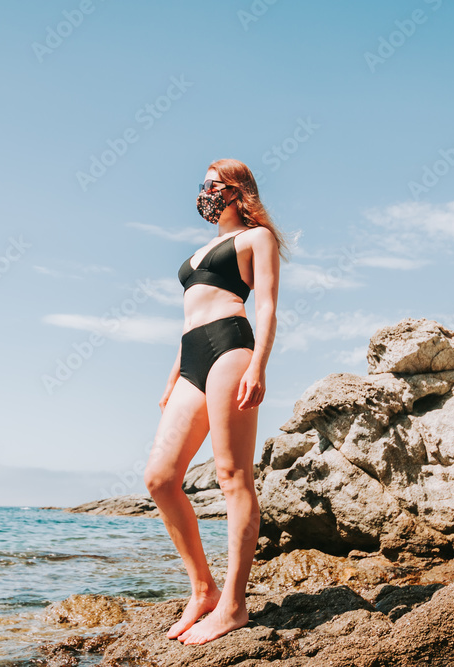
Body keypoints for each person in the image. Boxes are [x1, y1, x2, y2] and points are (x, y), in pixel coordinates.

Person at [144, 158, 287, 645]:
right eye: (202, 183)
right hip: (190, 358)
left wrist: (258, 365)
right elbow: (188, 317)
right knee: (160, 478)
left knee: (233, 477)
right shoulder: (202, 247)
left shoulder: (255, 238)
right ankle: (202, 589)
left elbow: (265, 303)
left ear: (235, 191)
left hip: (231, 346)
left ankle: (234, 605)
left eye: (212, 184)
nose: (203, 191)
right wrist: (172, 376)